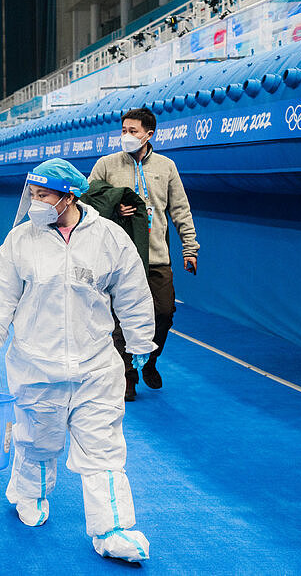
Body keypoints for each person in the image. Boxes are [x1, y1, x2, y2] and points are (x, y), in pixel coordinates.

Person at [0, 158, 155, 563]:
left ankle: (112, 530)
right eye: (32, 194)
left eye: (43, 195)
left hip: (95, 367)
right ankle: (28, 493)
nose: (35, 202)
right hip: (37, 365)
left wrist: (141, 340)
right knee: (38, 440)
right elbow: (1, 294)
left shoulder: (108, 238)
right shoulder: (22, 241)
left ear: (68, 196)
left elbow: (133, 292)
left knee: (103, 448)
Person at [88, 107, 199, 400]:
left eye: (133, 131)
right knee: (120, 322)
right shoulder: (106, 165)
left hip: (156, 258)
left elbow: (180, 210)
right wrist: (113, 207)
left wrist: (190, 247)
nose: (126, 136)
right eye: (123, 130)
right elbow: (87, 203)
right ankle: (127, 375)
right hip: (118, 259)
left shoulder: (166, 167)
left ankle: (149, 359)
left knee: (164, 312)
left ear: (149, 134)